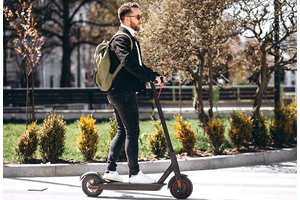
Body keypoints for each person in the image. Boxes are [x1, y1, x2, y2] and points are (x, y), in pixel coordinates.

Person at [103, 2, 164, 184]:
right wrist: (149, 77)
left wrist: (154, 75)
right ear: (126, 19)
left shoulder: (130, 39)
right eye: (138, 17)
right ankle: (134, 174)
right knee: (132, 132)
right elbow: (128, 63)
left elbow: (137, 65)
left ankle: (111, 170)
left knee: (123, 130)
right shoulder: (121, 39)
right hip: (122, 92)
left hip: (120, 92)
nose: (140, 20)